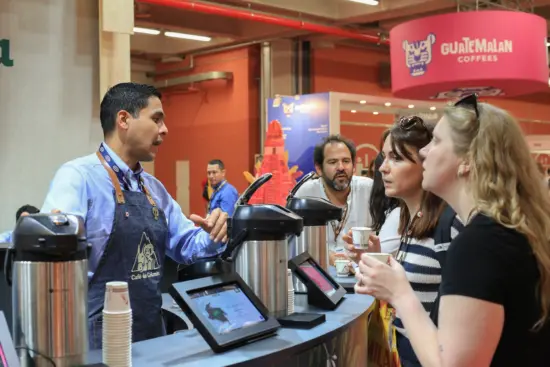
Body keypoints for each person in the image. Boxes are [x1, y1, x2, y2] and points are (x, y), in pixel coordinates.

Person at [355, 95, 550, 366]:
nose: (424, 152)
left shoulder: (478, 244)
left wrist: (400, 294)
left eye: (436, 142)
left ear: (467, 160)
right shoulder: (503, 231)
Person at [41, 82, 229, 348]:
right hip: (100, 341)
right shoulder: (78, 178)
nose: (165, 129)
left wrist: (213, 235)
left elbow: (188, 244)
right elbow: (49, 251)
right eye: (156, 119)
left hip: (152, 335)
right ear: (124, 120)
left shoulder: (154, 189)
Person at [293, 134, 373, 262]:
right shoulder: (305, 194)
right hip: (318, 270)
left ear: (353, 166)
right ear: (319, 169)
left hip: (361, 271)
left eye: (346, 161)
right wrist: (325, 256)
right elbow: (293, 242)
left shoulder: (368, 189)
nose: (341, 167)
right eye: (333, 162)